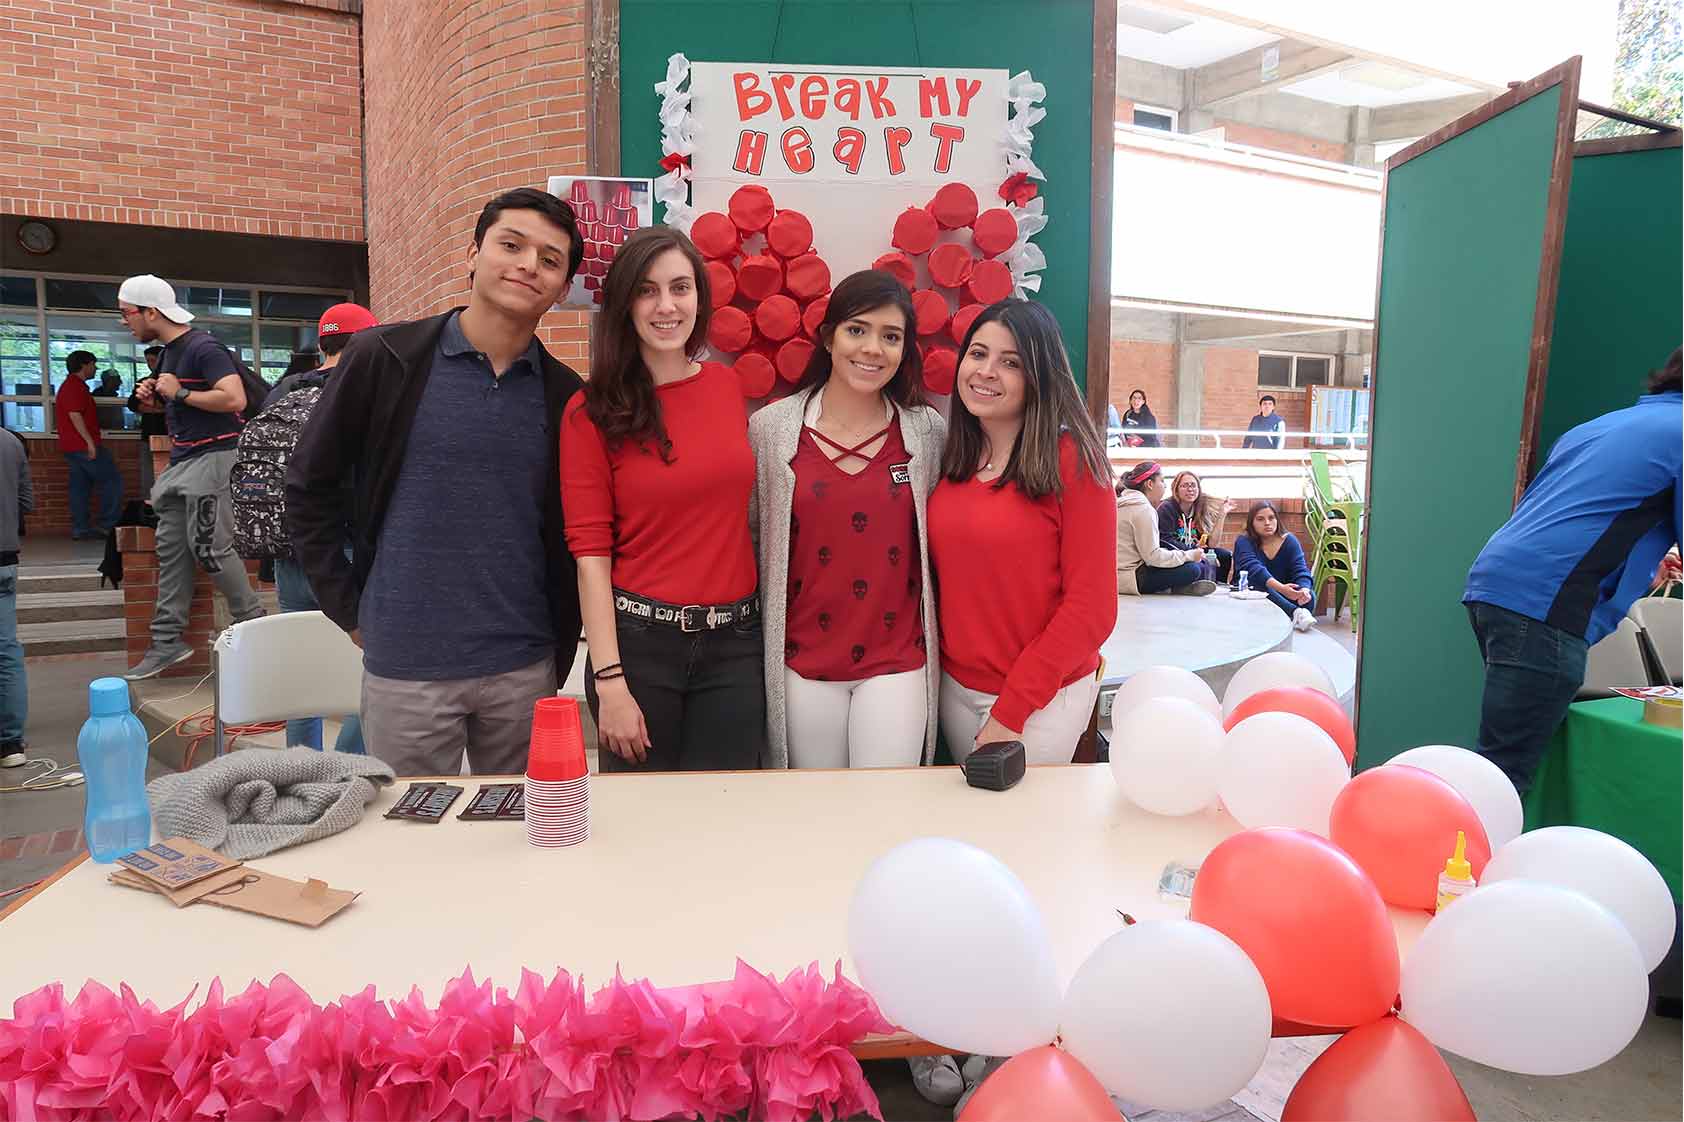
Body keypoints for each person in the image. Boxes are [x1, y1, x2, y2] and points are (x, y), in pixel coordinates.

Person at [288, 187, 586, 776]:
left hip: (523, 668)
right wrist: (349, 609)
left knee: (518, 834)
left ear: (562, 286)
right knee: (410, 847)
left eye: (550, 260)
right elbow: (308, 487)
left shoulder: (566, 396)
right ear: (472, 255)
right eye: (511, 245)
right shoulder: (385, 358)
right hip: (406, 664)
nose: (529, 265)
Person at [563, 225, 765, 773]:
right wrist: (610, 681)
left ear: (699, 297)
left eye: (680, 288)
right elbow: (590, 554)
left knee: (725, 824)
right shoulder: (590, 412)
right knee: (641, 835)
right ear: (625, 304)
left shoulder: (726, 389)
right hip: (640, 647)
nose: (666, 306)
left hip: (736, 645)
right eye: (647, 290)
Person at [751, 270, 946, 773]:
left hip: (897, 662)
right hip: (803, 662)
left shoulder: (926, 432)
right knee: (817, 819)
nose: (873, 349)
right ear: (828, 336)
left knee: (885, 815)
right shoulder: (772, 430)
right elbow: (753, 540)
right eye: (857, 330)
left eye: (891, 336)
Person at [1463, 347, 1682, 796]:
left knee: (1505, 763)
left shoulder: (1605, 425)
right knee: (1503, 777)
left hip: (1496, 586)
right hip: (1544, 604)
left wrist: (1644, 560)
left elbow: (1586, 515)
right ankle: (1450, 864)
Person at [929, 299, 1117, 766]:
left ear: (1039, 375)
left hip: (1041, 699)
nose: (986, 371)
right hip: (955, 687)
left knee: (1021, 834)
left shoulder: (1073, 461)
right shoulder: (953, 458)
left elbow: (1092, 609)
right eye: (977, 354)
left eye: (1010, 362)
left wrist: (1011, 711)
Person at [119, 275, 265, 679]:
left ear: (152, 311)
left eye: (127, 313)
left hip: (214, 457)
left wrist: (179, 393)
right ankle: (166, 643)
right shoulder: (168, 353)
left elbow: (233, 398)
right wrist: (154, 402)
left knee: (211, 548)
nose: (124, 322)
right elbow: (185, 406)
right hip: (182, 463)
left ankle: (255, 630)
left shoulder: (203, 346)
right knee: (173, 554)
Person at [264, 303, 378, 755]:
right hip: (348, 550)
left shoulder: (281, 394)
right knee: (373, 668)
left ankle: (302, 763)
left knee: (303, 667)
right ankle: (346, 763)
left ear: (322, 344)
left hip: (289, 554)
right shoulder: (364, 393)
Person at [1116, 461, 1214, 596]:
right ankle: (1179, 588)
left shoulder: (1121, 503)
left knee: (1192, 565)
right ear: (1150, 484)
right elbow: (1152, 556)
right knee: (1193, 569)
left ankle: (1179, 587)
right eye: (1162, 481)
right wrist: (1189, 555)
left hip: (1116, 575)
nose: (1164, 486)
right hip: (1131, 577)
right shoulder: (1143, 509)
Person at [54, 350, 122, 540]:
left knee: (80, 487)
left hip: (71, 446)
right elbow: (75, 414)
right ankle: (107, 524)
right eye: (93, 364)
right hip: (82, 445)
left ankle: (81, 528)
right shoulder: (75, 387)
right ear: (84, 365)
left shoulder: (71, 386)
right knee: (112, 481)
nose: (96, 368)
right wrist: (90, 443)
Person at [1233, 500, 1317, 631]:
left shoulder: (1289, 540)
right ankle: (1295, 613)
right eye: (1260, 519)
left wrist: (1304, 590)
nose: (1267, 523)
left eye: (1271, 518)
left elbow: (1301, 570)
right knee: (1258, 586)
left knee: (1309, 596)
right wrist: (1282, 588)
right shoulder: (1244, 541)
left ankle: (1297, 616)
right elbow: (1254, 569)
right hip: (1252, 591)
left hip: (1284, 594)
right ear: (1252, 523)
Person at [0, 428, 31, 768]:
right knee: (6, 649)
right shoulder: (11, 443)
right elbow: (27, 503)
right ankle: (11, 745)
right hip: (5, 558)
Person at [1158, 469, 1233, 583]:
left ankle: (1216, 587)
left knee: (1224, 556)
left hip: (1196, 551)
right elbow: (1166, 541)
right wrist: (1195, 552)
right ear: (1176, 490)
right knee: (1200, 563)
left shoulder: (1199, 508)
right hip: (1176, 554)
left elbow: (1211, 544)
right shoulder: (1167, 508)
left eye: (1193, 485)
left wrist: (1222, 515)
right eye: (1184, 485)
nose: (1190, 489)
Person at [129, 345, 168, 497]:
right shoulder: (143, 382)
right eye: (148, 361)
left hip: (171, 435)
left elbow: (172, 406)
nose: (150, 364)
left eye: (153, 360)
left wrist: (158, 407)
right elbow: (134, 405)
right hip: (149, 435)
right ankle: (150, 508)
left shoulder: (173, 383)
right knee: (149, 476)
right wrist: (157, 409)